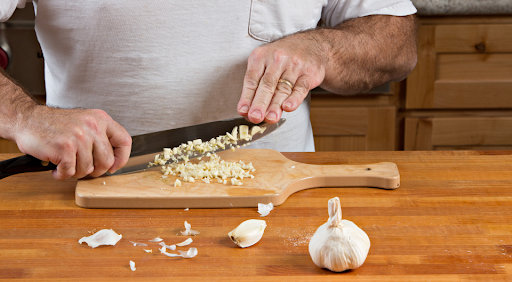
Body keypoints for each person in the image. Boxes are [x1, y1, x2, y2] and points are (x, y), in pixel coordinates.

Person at [0, 0, 418, 180]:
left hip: (274, 198)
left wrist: (324, 47)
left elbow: (395, 41)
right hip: (87, 194)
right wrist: (24, 116)